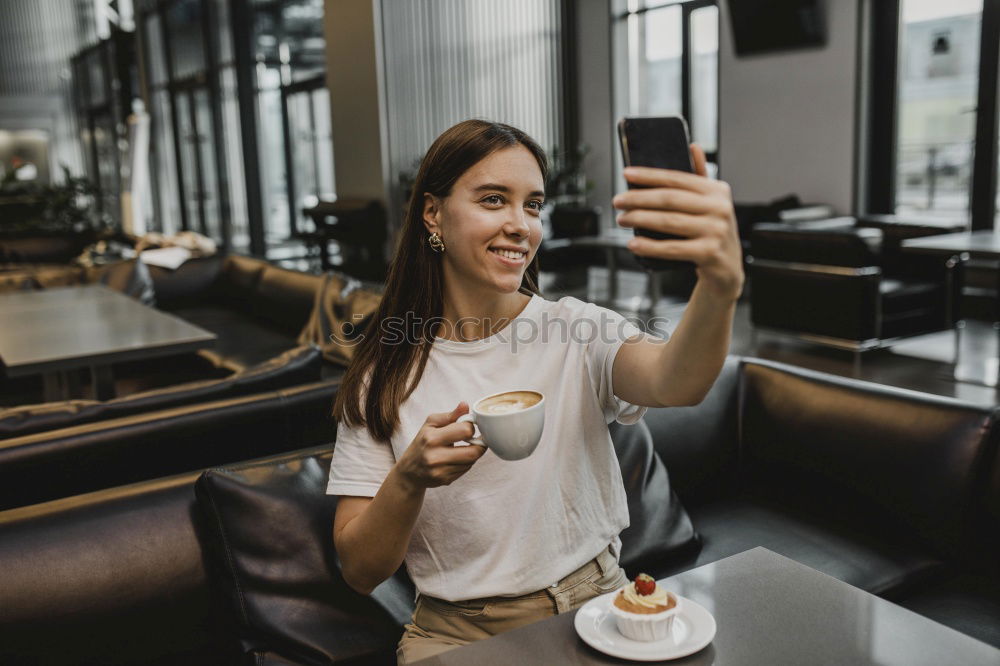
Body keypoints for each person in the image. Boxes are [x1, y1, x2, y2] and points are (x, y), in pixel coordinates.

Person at [327, 119, 743, 664]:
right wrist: (409, 479)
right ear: (433, 214)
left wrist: (720, 286)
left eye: (532, 205)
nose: (520, 224)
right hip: (459, 635)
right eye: (494, 199)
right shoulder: (382, 375)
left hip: (599, 603)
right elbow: (359, 571)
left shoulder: (578, 329)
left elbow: (678, 381)